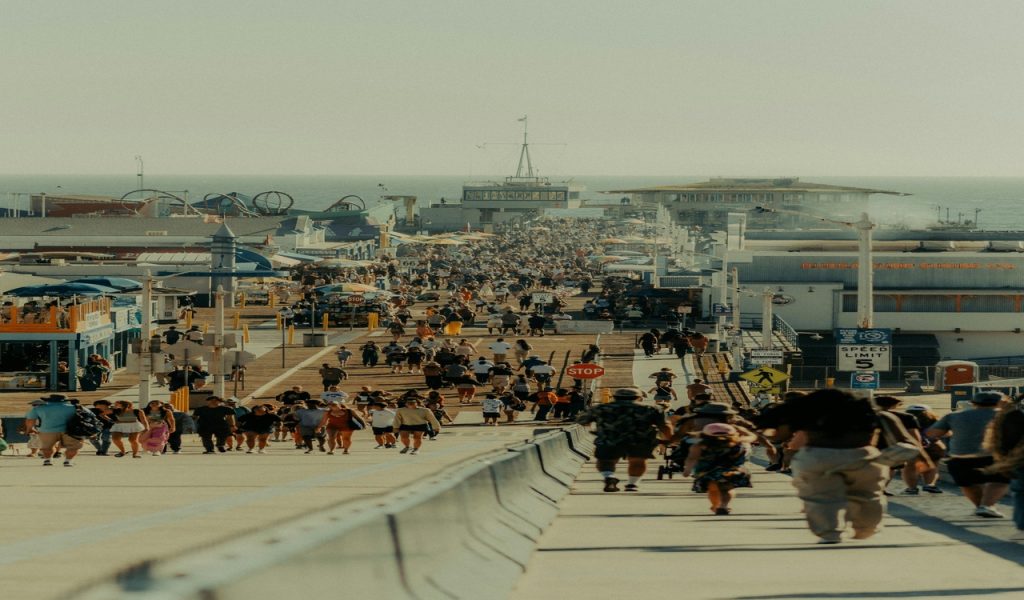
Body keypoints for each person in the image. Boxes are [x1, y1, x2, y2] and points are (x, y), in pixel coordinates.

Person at [781, 389, 915, 544]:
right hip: (864, 457)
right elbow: (907, 442)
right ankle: (865, 529)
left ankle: (830, 533)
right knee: (868, 496)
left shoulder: (811, 415)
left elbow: (790, 440)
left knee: (822, 498)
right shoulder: (879, 415)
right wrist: (889, 458)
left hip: (819, 457)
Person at [927, 391, 1010, 518]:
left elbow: (932, 434)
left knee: (968, 484)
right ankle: (986, 506)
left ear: (973, 403)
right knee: (1000, 481)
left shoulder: (953, 416)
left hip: (959, 458)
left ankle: (981, 507)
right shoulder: (1008, 416)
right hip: (994, 457)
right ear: (1002, 402)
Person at [577, 387, 671, 492]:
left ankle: (609, 477)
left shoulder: (601, 408)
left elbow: (582, 420)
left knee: (606, 461)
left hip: (609, 439)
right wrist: (670, 439)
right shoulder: (651, 409)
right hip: (640, 440)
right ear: (639, 398)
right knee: (638, 461)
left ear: (614, 397)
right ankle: (632, 484)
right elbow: (664, 426)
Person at [684, 423, 755, 515]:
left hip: (708, 472)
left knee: (712, 490)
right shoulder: (738, 442)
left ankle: (716, 505)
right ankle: (723, 505)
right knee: (726, 489)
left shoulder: (700, 445)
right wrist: (741, 429)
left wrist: (687, 470)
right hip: (731, 471)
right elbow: (752, 437)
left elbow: (692, 458)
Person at [985, 396, 1024, 535]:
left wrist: (1004, 461)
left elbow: (1000, 442)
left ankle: (1021, 523)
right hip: (1018, 459)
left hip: (1015, 460)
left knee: (1020, 492)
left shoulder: (1006, 416)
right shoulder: (1015, 416)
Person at [24, 394, 81, 467]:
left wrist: (29, 429)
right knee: (73, 447)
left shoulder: (39, 408)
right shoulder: (75, 408)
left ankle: (48, 460)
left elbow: (30, 420)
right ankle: (68, 461)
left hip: (47, 430)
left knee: (47, 447)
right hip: (70, 431)